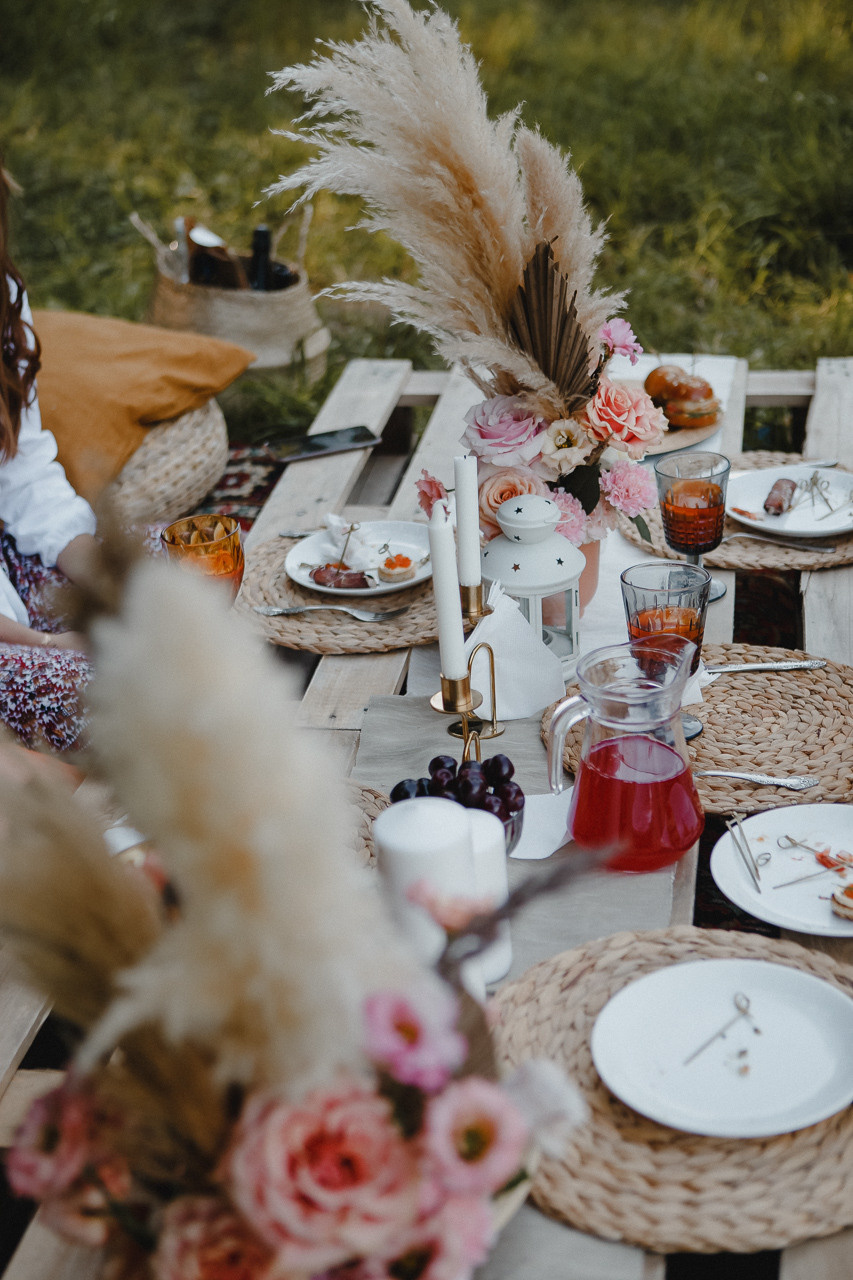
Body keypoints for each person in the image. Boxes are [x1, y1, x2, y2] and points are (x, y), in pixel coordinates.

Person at [0, 160, 97, 751]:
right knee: (105, 689)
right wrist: (48, 646)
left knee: (183, 573)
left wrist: (104, 576)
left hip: (10, 563)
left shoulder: (3, 296)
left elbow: (24, 469)